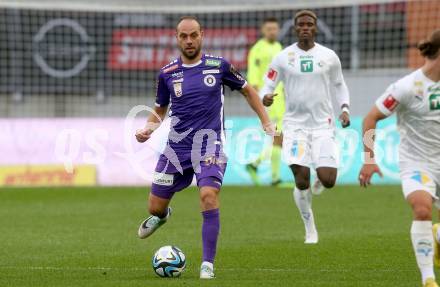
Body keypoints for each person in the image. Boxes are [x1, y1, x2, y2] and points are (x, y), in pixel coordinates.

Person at [135, 16, 274, 279]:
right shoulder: (167, 73)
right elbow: (159, 110)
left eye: (193, 35)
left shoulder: (218, 66)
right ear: (177, 38)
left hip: (211, 146)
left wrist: (266, 121)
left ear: (202, 35)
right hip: (176, 149)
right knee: (154, 207)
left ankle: (207, 265)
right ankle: (162, 216)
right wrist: (147, 129)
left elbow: (249, 91)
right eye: (184, 36)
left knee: (208, 195)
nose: (189, 40)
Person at [260, 10, 350, 244]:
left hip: (323, 126)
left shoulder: (329, 56)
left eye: (309, 24)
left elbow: (340, 85)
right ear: (295, 28)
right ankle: (310, 227)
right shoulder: (283, 57)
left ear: (315, 28)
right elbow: (267, 84)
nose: (305, 28)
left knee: (328, 181)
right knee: (301, 180)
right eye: (301, 25)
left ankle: (321, 178)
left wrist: (345, 108)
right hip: (295, 127)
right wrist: (266, 97)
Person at [359, 29, 440, 287]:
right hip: (417, 161)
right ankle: (428, 279)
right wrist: (369, 159)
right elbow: (370, 118)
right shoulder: (406, 87)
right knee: (421, 208)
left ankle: (436, 235)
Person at [245, 17, 285, 186]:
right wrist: (257, 99)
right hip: (266, 98)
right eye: (269, 29)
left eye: (275, 29)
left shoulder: (279, 47)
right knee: (279, 136)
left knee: (280, 138)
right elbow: (253, 76)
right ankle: (273, 177)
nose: (272, 32)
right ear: (263, 30)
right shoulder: (257, 49)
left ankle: (256, 166)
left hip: (280, 98)